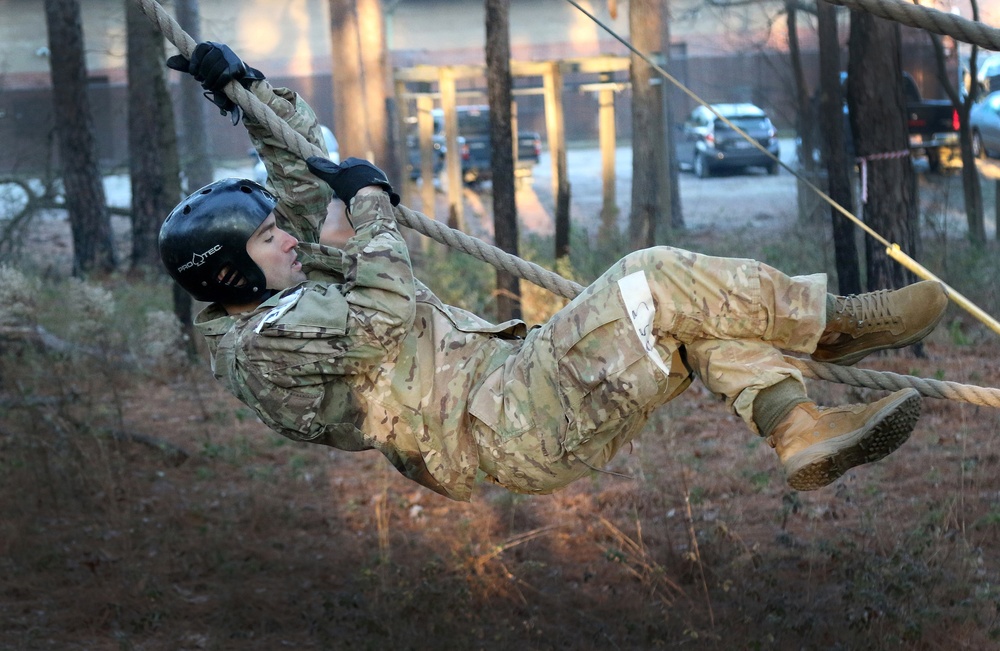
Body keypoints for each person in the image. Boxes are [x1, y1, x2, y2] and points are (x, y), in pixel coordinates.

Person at [160, 43, 949, 502]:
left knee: (684, 321)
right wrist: (366, 210)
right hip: (502, 421)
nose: (287, 241)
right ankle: (834, 321)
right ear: (231, 278)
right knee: (653, 278)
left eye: (278, 231)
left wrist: (245, 93)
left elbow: (306, 175)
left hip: (511, 381)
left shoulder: (273, 290)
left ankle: (795, 425)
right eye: (268, 240)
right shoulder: (265, 343)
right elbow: (384, 316)